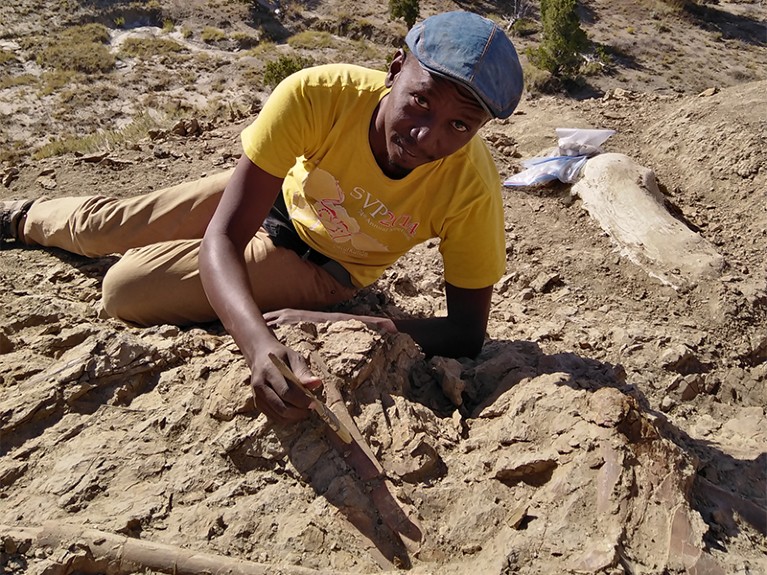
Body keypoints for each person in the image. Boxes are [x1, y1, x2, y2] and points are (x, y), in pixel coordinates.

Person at [0, 11, 523, 423]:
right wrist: (259, 347)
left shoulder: (470, 189)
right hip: (274, 198)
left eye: (459, 125)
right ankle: (21, 218)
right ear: (394, 67)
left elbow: (465, 333)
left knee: (125, 287)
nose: (428, 137)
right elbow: (226, 233)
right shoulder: (320, 95)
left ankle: (166, 267)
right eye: (420, 102)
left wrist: (345, 321)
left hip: (322, 265)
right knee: (106, 226)